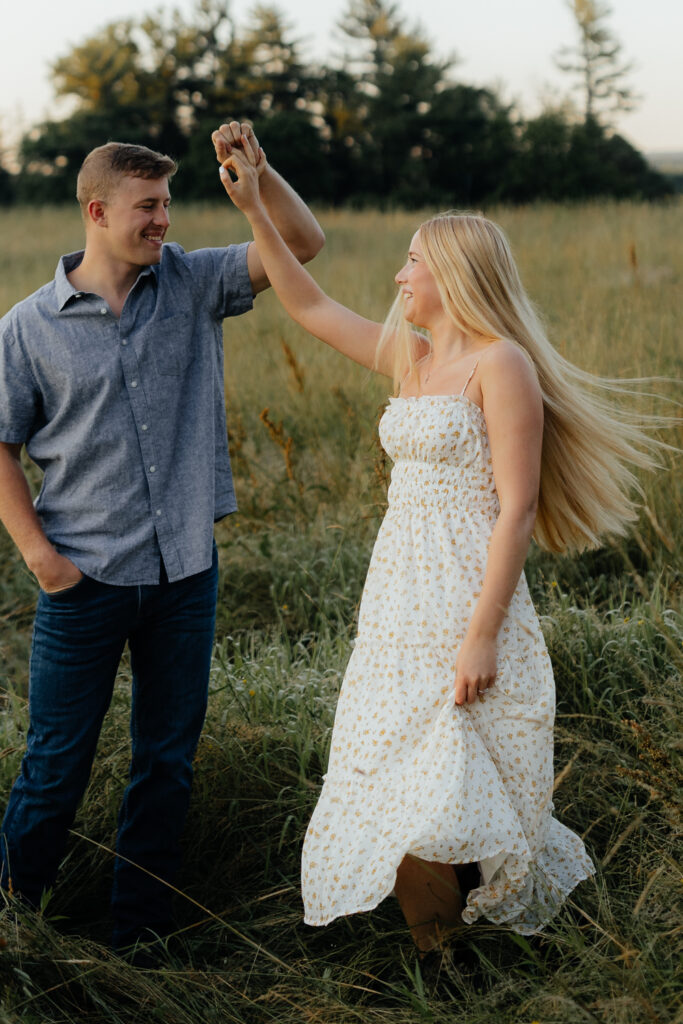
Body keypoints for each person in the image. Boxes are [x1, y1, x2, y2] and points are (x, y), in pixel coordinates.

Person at [216, 143, 662, 953]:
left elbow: (518, 508)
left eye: (410, 262)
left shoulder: (501, 364)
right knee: (395, 770)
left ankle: (460, 954)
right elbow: (310, 306)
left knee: (455, 770)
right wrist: (255, 205)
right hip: (396, 600)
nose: (398, 277)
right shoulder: (411, 361)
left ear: (451, 272)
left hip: (466, 596)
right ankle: (440, 961)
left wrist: (483, 631)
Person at [0, 122, 324, 953]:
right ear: (98, 211)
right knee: (55, 766)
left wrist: (259, 171)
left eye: (170, 203)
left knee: (166, 762)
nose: (165, 221)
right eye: (148, 206)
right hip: (85, 578)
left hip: (186, 571)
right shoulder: (27, 327)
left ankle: (139, 933)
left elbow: (302, 242)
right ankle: (14, 922)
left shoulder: (193, 282)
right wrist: (41, 556)